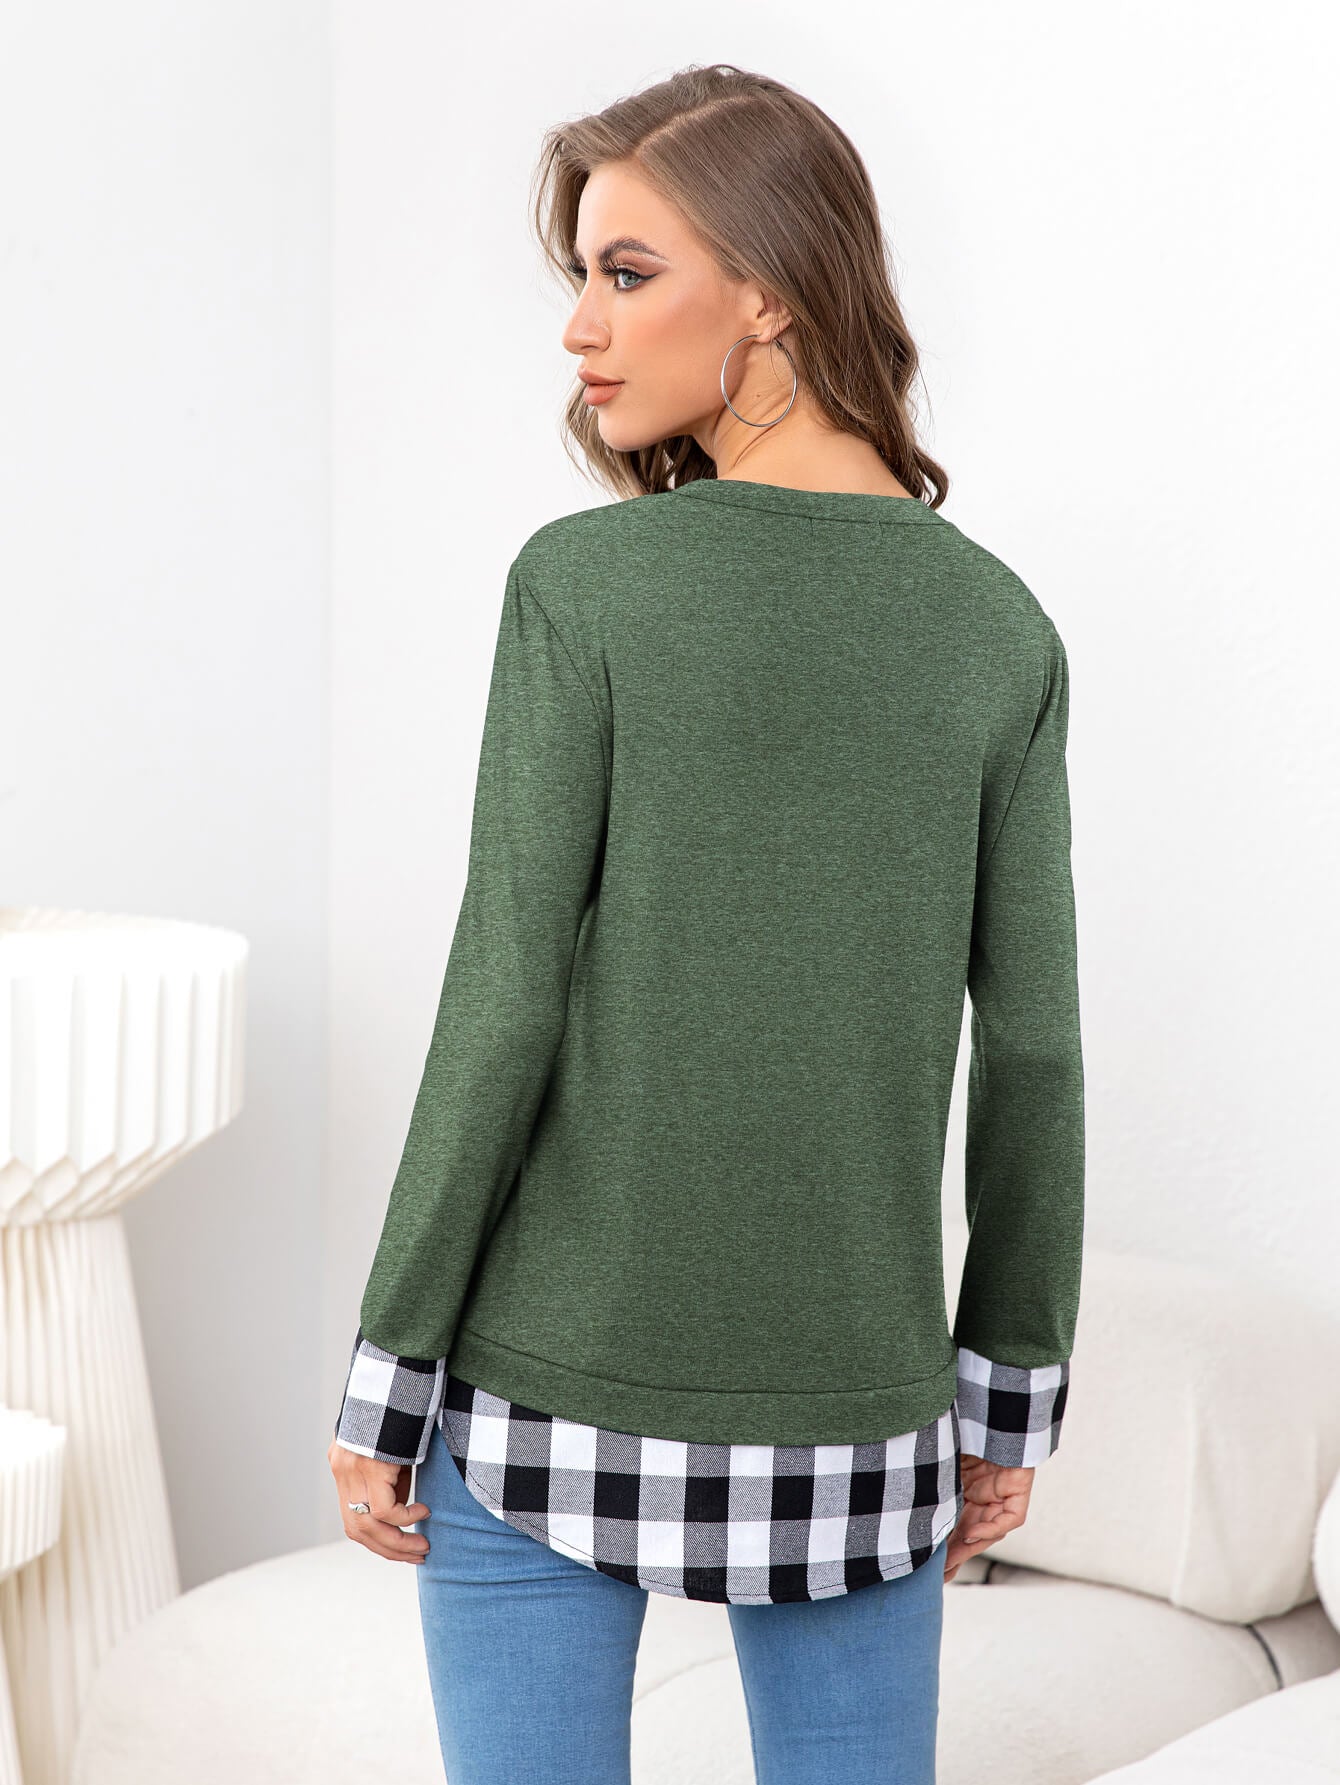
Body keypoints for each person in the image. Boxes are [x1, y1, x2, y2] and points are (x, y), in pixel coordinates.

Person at [327, 61, 1084, 1785]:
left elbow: (503, 998)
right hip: (858, 1425)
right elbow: (1035, 1050)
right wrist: (1006, 1395)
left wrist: (389, 1374)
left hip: (539, 1400)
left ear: (770, 292)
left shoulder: (586, 586)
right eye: (581, 276)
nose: (580, 329)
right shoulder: (1000, 629)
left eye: (627, 271)